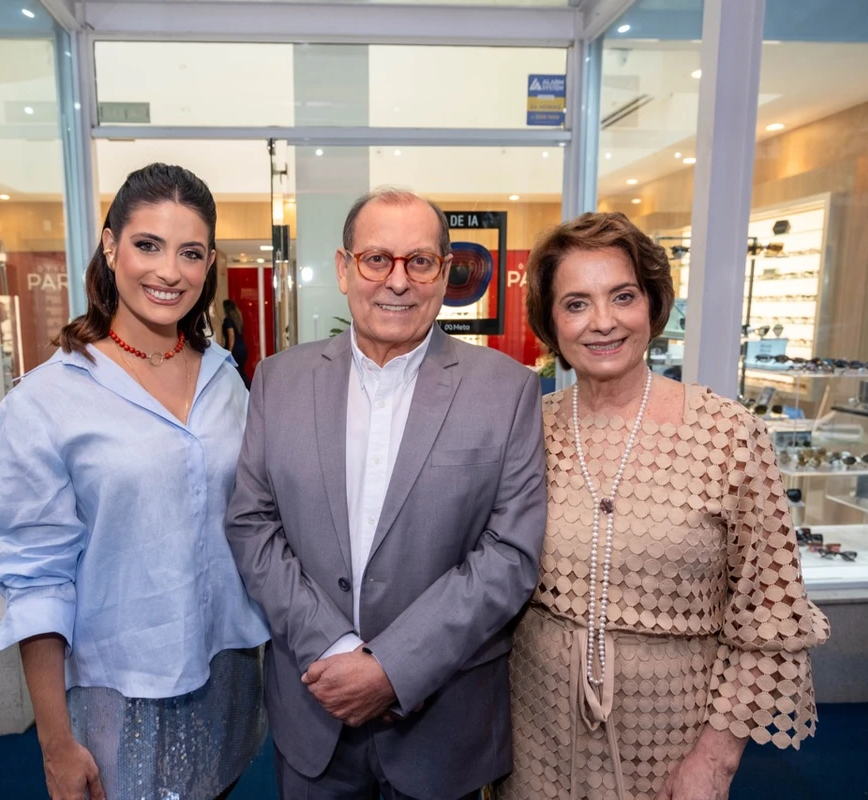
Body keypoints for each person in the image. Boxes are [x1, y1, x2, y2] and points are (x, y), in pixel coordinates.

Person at [225, 188, 548, 800]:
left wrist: (395, 667)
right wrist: (335, 648)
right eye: (377, 259)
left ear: (444, 273)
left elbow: (510, 554)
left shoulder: (507, 392)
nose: (397, 281)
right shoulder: (277, 381)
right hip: (314, 705)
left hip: (442, 723)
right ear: (344, 268)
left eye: (419, 261)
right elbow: (252, 524)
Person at [499, 212, 830, 800]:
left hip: (671, 738)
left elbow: (770, 613)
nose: (603, 322)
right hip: (535, 733)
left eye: (622, 296)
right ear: (551, 323)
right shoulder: (527, 427)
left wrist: (716, 762)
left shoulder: (728, 435)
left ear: (652, 305)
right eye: (576, 304)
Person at [0, 163, 270, 800]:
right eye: (148, 245)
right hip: (119, 687)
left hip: (227, 666)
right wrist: (55, 743)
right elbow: (37, 578)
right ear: (111, 246)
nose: (169, 271)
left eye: (189, 253)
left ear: (209, 263)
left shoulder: (226, 378)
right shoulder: (46, 401)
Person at [222, 298, 250, 386]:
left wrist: (229, 351)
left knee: (236, 374)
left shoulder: (228, 320)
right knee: (241, 372)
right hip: (242, 348)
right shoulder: (237, 319)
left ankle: (248, 390)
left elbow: (231, 336)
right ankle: (250, 389)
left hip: (235, 350)